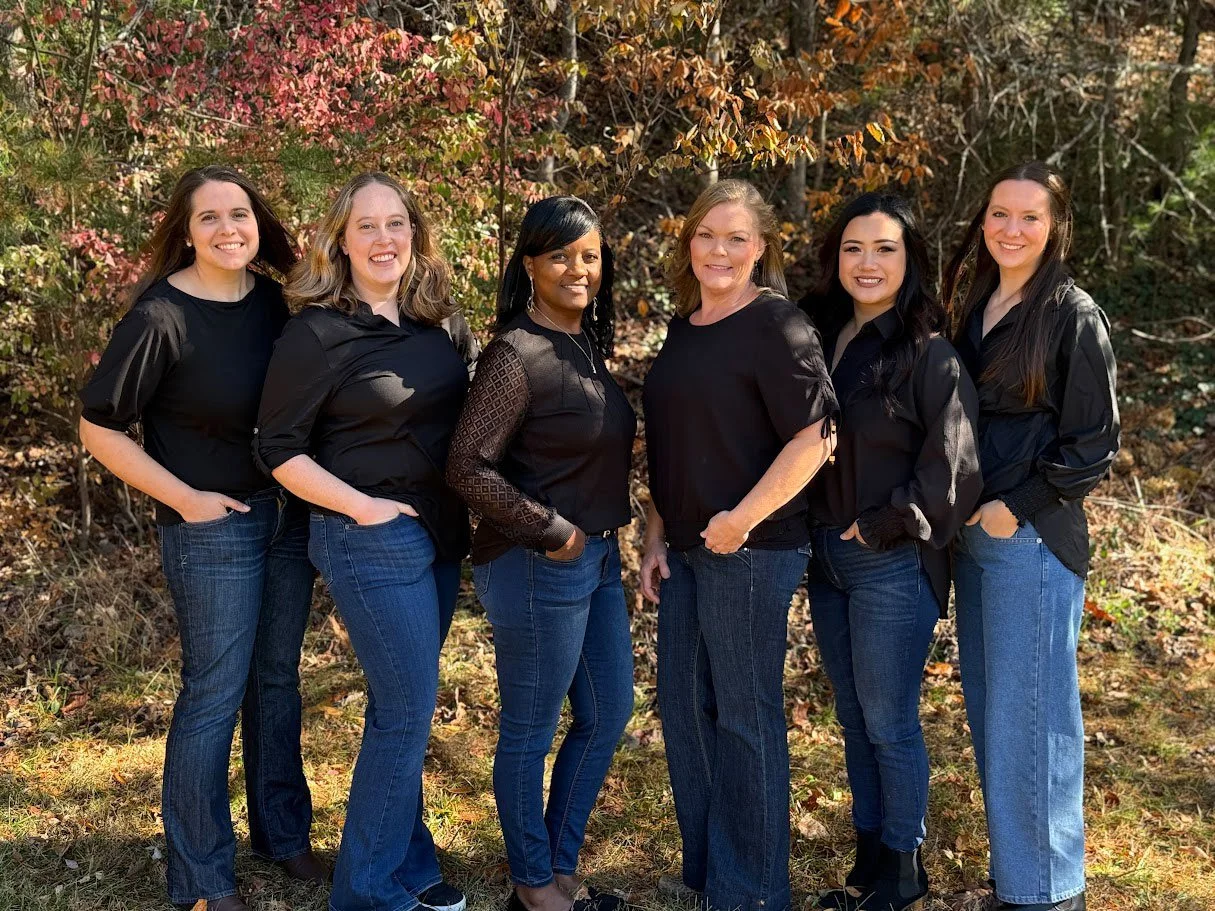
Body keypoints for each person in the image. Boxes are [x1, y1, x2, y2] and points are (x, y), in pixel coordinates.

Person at [78, 166, 323, 911]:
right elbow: (98, 424)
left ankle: (282, 835)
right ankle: (203, 879)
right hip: (211, 530)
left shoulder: (275, 306)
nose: (228, 229)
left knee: (275, 681)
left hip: (285, 517)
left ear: (258, 222)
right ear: (185, 231)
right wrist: (185, 499)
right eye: (209, 217)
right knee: (214, 694)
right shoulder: (162, 317)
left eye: (239, 214)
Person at [253, 172, 473, 911]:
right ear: (340, 241)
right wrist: (361, 507)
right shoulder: (315, 332)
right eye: (367, 227)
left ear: (415, 235)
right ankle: (367, 891)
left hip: (439, 534)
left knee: (400, 707)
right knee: (408, 707)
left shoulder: (437, 322)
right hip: (367, 536)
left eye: (396, 224)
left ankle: (408, 860)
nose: (385, 239)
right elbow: (277, 447)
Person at [640, 179, 838, 911]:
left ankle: (753, 890)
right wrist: (656, 535)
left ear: (760, 248)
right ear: (687, 243)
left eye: (735, 238)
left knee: (745, 716)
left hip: (753, 549)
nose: (717, 250)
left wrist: (742, 518)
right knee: (687, 711)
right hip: (687, 546)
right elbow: (673, 441)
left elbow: (817, 438)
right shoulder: (685, 325)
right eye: (705, 235)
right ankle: (709, 872)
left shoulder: (777, 326)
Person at [447, 196, 635, 911]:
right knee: (531, 727)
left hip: (597, 561)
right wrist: (547, 528)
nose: (578, 268)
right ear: (530, 264)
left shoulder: (586, 343)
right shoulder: (514, 353)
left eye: (589, 254)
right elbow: (465, 465)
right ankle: (533, 883)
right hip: (534, 563)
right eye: (561, 255)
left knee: (607, 708)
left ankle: (556, 863)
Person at [943, 162, 1120, 911]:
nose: (1010, 229)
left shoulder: (1072, 313)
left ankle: (1048, 895)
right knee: (996, 716)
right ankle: (1022, 882)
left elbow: (1094, 443)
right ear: (981, 220)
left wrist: (1010, 506)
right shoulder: (978, 302)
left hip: (1032, 540)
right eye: (998, 214)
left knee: (1035, 722)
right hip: (973, 542)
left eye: (1029, 217)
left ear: (1055, 228)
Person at [799, 192, 983, 911]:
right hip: (825, 560)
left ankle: (905, 870)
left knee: (889, 719)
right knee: (852, 717)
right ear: (833, 259)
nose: (866, 262)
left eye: (884, 249)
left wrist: (883, 523)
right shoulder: (818, 336)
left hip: (891, 563)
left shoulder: (927, 354)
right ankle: (868, 856)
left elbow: (957, 466)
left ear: (910, 262)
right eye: (852, 248)